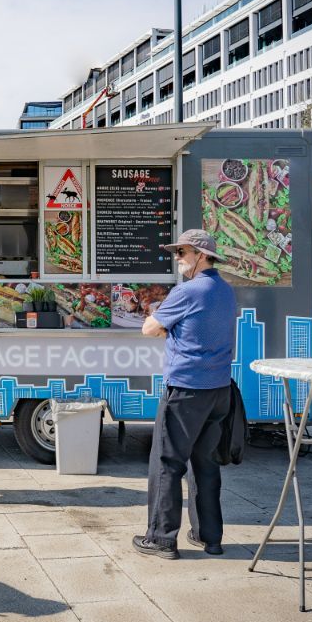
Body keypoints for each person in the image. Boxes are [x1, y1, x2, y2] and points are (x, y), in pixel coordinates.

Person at [134, 229, 237, 559]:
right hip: (219, 389)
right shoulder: (225, 290)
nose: (177, 257)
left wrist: (163, 320)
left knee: (166, 463)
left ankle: (161, 538)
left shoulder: (188, 292)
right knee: (206, 465)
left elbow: (149, 328)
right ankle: (210, 536)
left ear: (202, 255)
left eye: (182, 252)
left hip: (186, 390)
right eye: (176, 251)